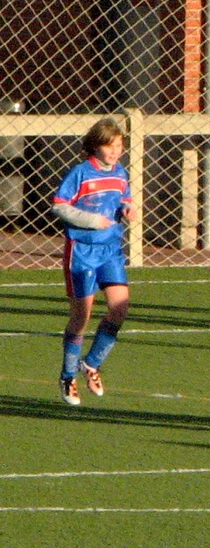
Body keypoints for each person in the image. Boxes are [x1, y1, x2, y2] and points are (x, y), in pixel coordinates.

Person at [52, 117, 135, 405]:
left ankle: (92, 363)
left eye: (119, 146)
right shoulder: (80, 173)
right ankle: (67, 376)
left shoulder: (120, 172)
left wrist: (126, 209)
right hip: (83, 251)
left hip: (110, 249)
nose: (115, 151)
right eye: (109, 146)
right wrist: (91, 220)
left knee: (119, 308)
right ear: (95, 146)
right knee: (81, 317)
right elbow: (59, 206)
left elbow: (124, 198)